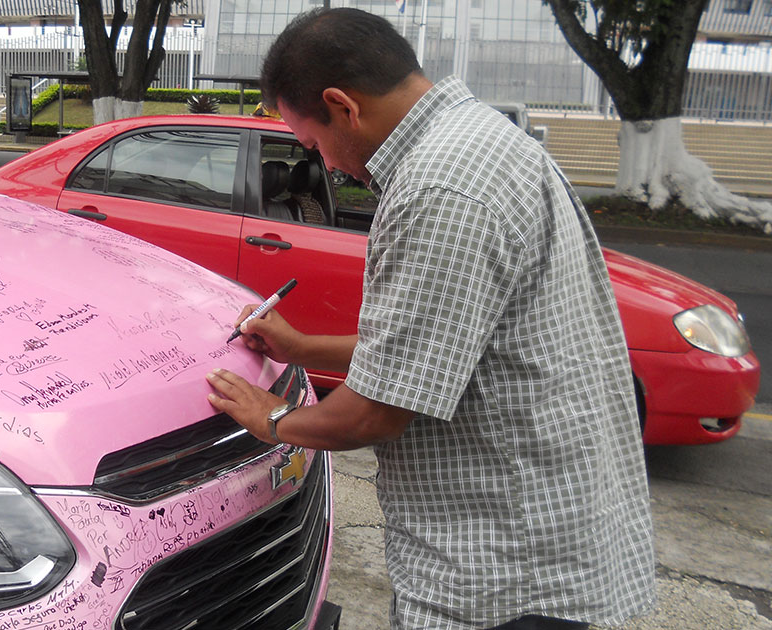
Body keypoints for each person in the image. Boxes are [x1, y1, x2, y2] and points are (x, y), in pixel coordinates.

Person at [204, 8, 655, 630]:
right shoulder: (482, 140)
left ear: (343, 106)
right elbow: (435, 345)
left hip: (502, 572)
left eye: (314, 144)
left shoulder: (436, 191)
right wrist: (301, 347)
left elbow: (378, 410)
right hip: (549, 540)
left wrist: (275, 419)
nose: (326, 166)